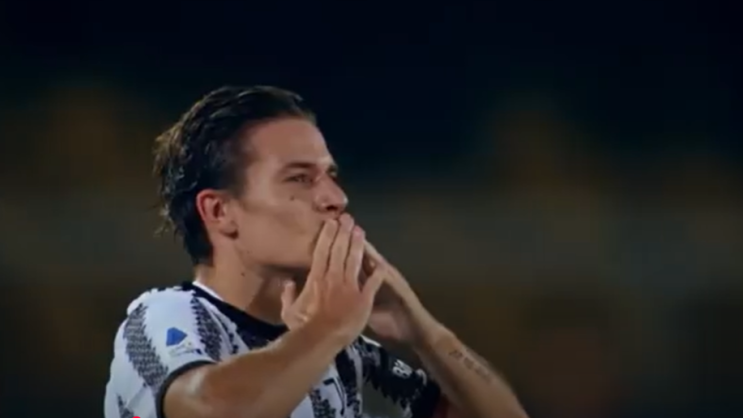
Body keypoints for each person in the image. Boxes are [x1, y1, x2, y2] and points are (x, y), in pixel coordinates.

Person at [103, 85, 528, 418]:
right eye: (300, 179)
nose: (336, 198)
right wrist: (327, 329)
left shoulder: (346, 354)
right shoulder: (163, 319)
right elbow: (210, 409)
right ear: (220, 211)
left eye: (330, 175)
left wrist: (423, 332)